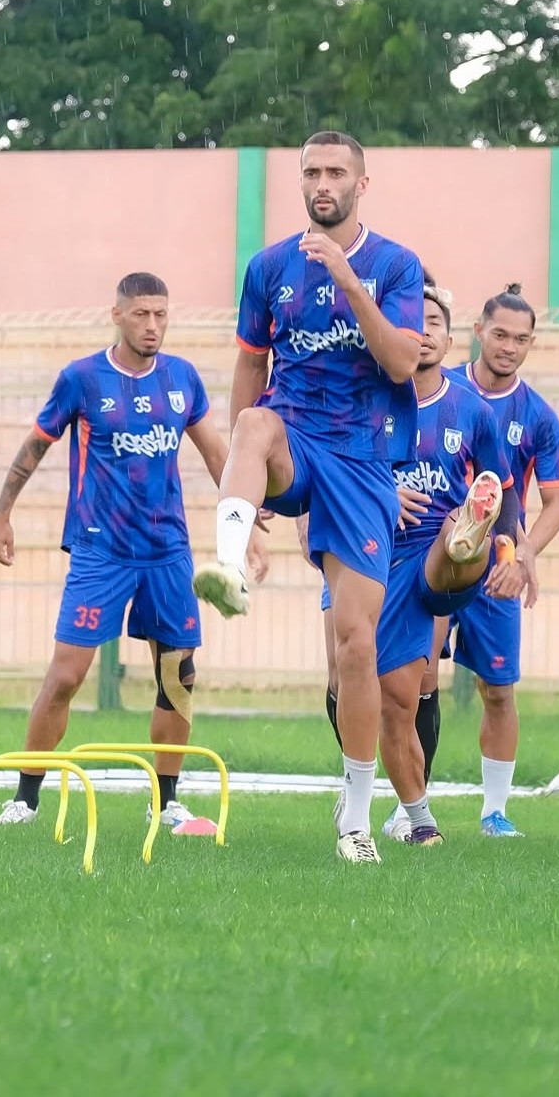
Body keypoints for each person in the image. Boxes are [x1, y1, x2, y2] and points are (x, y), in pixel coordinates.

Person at [192, 131, 424, 864]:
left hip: (360, 460)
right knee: (255, 419)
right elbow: (249, 363)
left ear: (363, 182)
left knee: (357, 647)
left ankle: (356, 815)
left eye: (336, 172)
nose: (322, 183)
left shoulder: (394, 265)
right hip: (292, 439)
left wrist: (349, 282)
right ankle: (228, 565)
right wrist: (245, 470)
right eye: (311, 172)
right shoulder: (268, 268)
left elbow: (400, 362)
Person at [0, 272, 266, 827]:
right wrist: (2, 514)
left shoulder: (182, 378)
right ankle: (24, 798)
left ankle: (166, 802)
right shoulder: (83, 379)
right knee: (66, 675)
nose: (153, 325)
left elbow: (218, 455)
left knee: (178, 676)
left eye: (161, 314)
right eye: (142, 314)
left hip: (168, 554)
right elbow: (35, 447)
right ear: (117, 314)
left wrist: (250, 526)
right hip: (100, 551)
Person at [320, 280, 533, 845]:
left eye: (434, 322)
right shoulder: (360, 402)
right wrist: (383, 495)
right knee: (359, 687)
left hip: (422, 559)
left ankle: (468, 541)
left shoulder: (472, 413)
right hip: (362, 549)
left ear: (447, 335)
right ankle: (386, 800)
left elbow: (507, 489)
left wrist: (507, 546)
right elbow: (325, 473)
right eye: (415, 322)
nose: (424, 331)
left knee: (405, 690)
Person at [415, 283, 559, 840]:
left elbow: (555, 503)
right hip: (430, 557)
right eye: (500, 334)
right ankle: (414, 805)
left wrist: (524, 554)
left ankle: (494, 812)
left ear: (531, 344)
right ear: (477, 332)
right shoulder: (437, 387)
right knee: (419, 677)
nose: (508, 346)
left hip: (497, 564)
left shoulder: (539, 417)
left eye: (521, 339)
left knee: (498, 690)